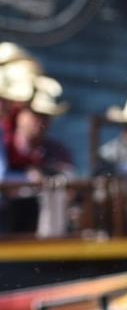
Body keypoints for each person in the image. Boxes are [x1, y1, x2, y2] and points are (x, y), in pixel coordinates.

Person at [2, 75, 75, 235]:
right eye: (36, 114)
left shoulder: (57, 152)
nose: (41, 121)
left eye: (46, 116)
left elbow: (71, 179)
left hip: (41, 232)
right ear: (20, 114)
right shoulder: (4, 143)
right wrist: (28, 179)